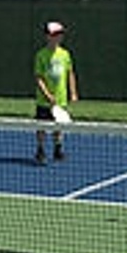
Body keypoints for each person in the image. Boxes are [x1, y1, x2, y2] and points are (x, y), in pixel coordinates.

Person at [33, 21, 78, 164]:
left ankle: (58, 149)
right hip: (43, 100)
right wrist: (47, 95)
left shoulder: (65, 54)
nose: (58, 37)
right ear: (48, 36)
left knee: (58, 127)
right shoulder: (41, 55)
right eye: (55, 34)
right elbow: (38, 78)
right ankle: (40, 150)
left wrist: (73, 92)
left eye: (60, 34)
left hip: (61, 99)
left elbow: (70, 73)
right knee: (42, 126)